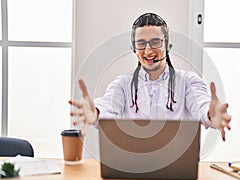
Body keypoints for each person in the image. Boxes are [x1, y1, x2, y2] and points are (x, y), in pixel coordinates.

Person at [69, 13, 231, 141]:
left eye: (155, 42)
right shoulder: (122, 85)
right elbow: (108, 106)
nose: (148, 51)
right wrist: (95, 112)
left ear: (168, 46)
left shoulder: (188, 82)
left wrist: (212, 114)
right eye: (141, 43)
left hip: (177, 172)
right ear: (134, 48)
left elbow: (201, 106)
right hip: (133, 169)